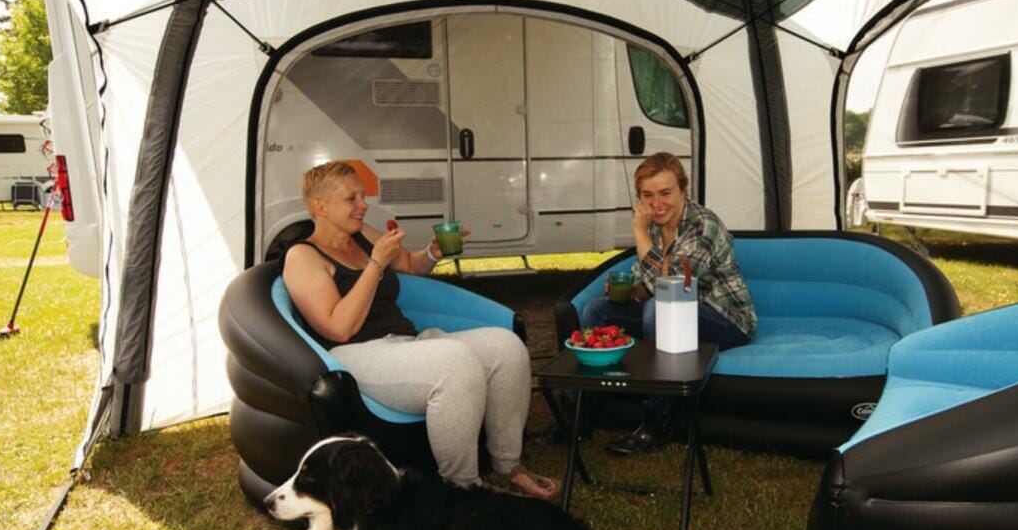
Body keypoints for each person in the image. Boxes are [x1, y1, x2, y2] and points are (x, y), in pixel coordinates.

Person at [281, 160, 558, 500]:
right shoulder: (303, 256)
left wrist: (432, 253)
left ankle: (508, 466)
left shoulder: (363, 235)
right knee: (455, 362)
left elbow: (410, 264)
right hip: (354, 354)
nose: (363, 205)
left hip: (404, 342)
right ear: (319, 206)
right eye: (351, 198)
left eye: (362, 196)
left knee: (507, 346)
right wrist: (375, 264)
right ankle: (462, 490)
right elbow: (339, 328)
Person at [580, 152, 756, 455]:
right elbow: (647, 284)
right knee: (597, 310)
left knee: (658, 310)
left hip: (726, 319)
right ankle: (585, 411)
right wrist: (629, 290)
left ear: (683, 190)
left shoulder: (704, 225)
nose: (656, 203)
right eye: (647, 195)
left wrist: (638, 232)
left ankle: (656, 421)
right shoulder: (653, 225)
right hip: (676, 311)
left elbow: (673, 287)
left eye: (665, 193)